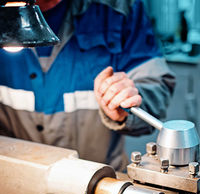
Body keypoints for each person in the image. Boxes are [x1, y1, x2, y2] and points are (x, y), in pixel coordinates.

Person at [0, 0, 175, 171]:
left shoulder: (120, 7)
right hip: (15, 179)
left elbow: (156, 84)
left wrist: (128, 104)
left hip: (99, 184)